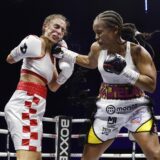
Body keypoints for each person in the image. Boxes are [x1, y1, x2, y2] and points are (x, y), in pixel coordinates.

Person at [53, 10, 160, 160]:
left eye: (99, 32)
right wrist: (64, 53)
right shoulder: (97, 48)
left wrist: (124, 71)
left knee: (155, 155)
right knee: (88, 158)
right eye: (95, 33)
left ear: (115, 29)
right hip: (108, 108)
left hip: (136, 108)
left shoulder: (137, 52)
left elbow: (151, 85)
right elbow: (90, 62)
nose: (96, 37)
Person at [4, 14, 74, 160]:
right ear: (45, 26)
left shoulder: (52, 57)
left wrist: (66, 72)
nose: (59, 31)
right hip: (25, 104)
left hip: (36, 109)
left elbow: (53, 87)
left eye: (62, 30)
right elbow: (10, 59)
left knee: (35, 157)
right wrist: (22, 48)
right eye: (56, 26)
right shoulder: (35, 42)